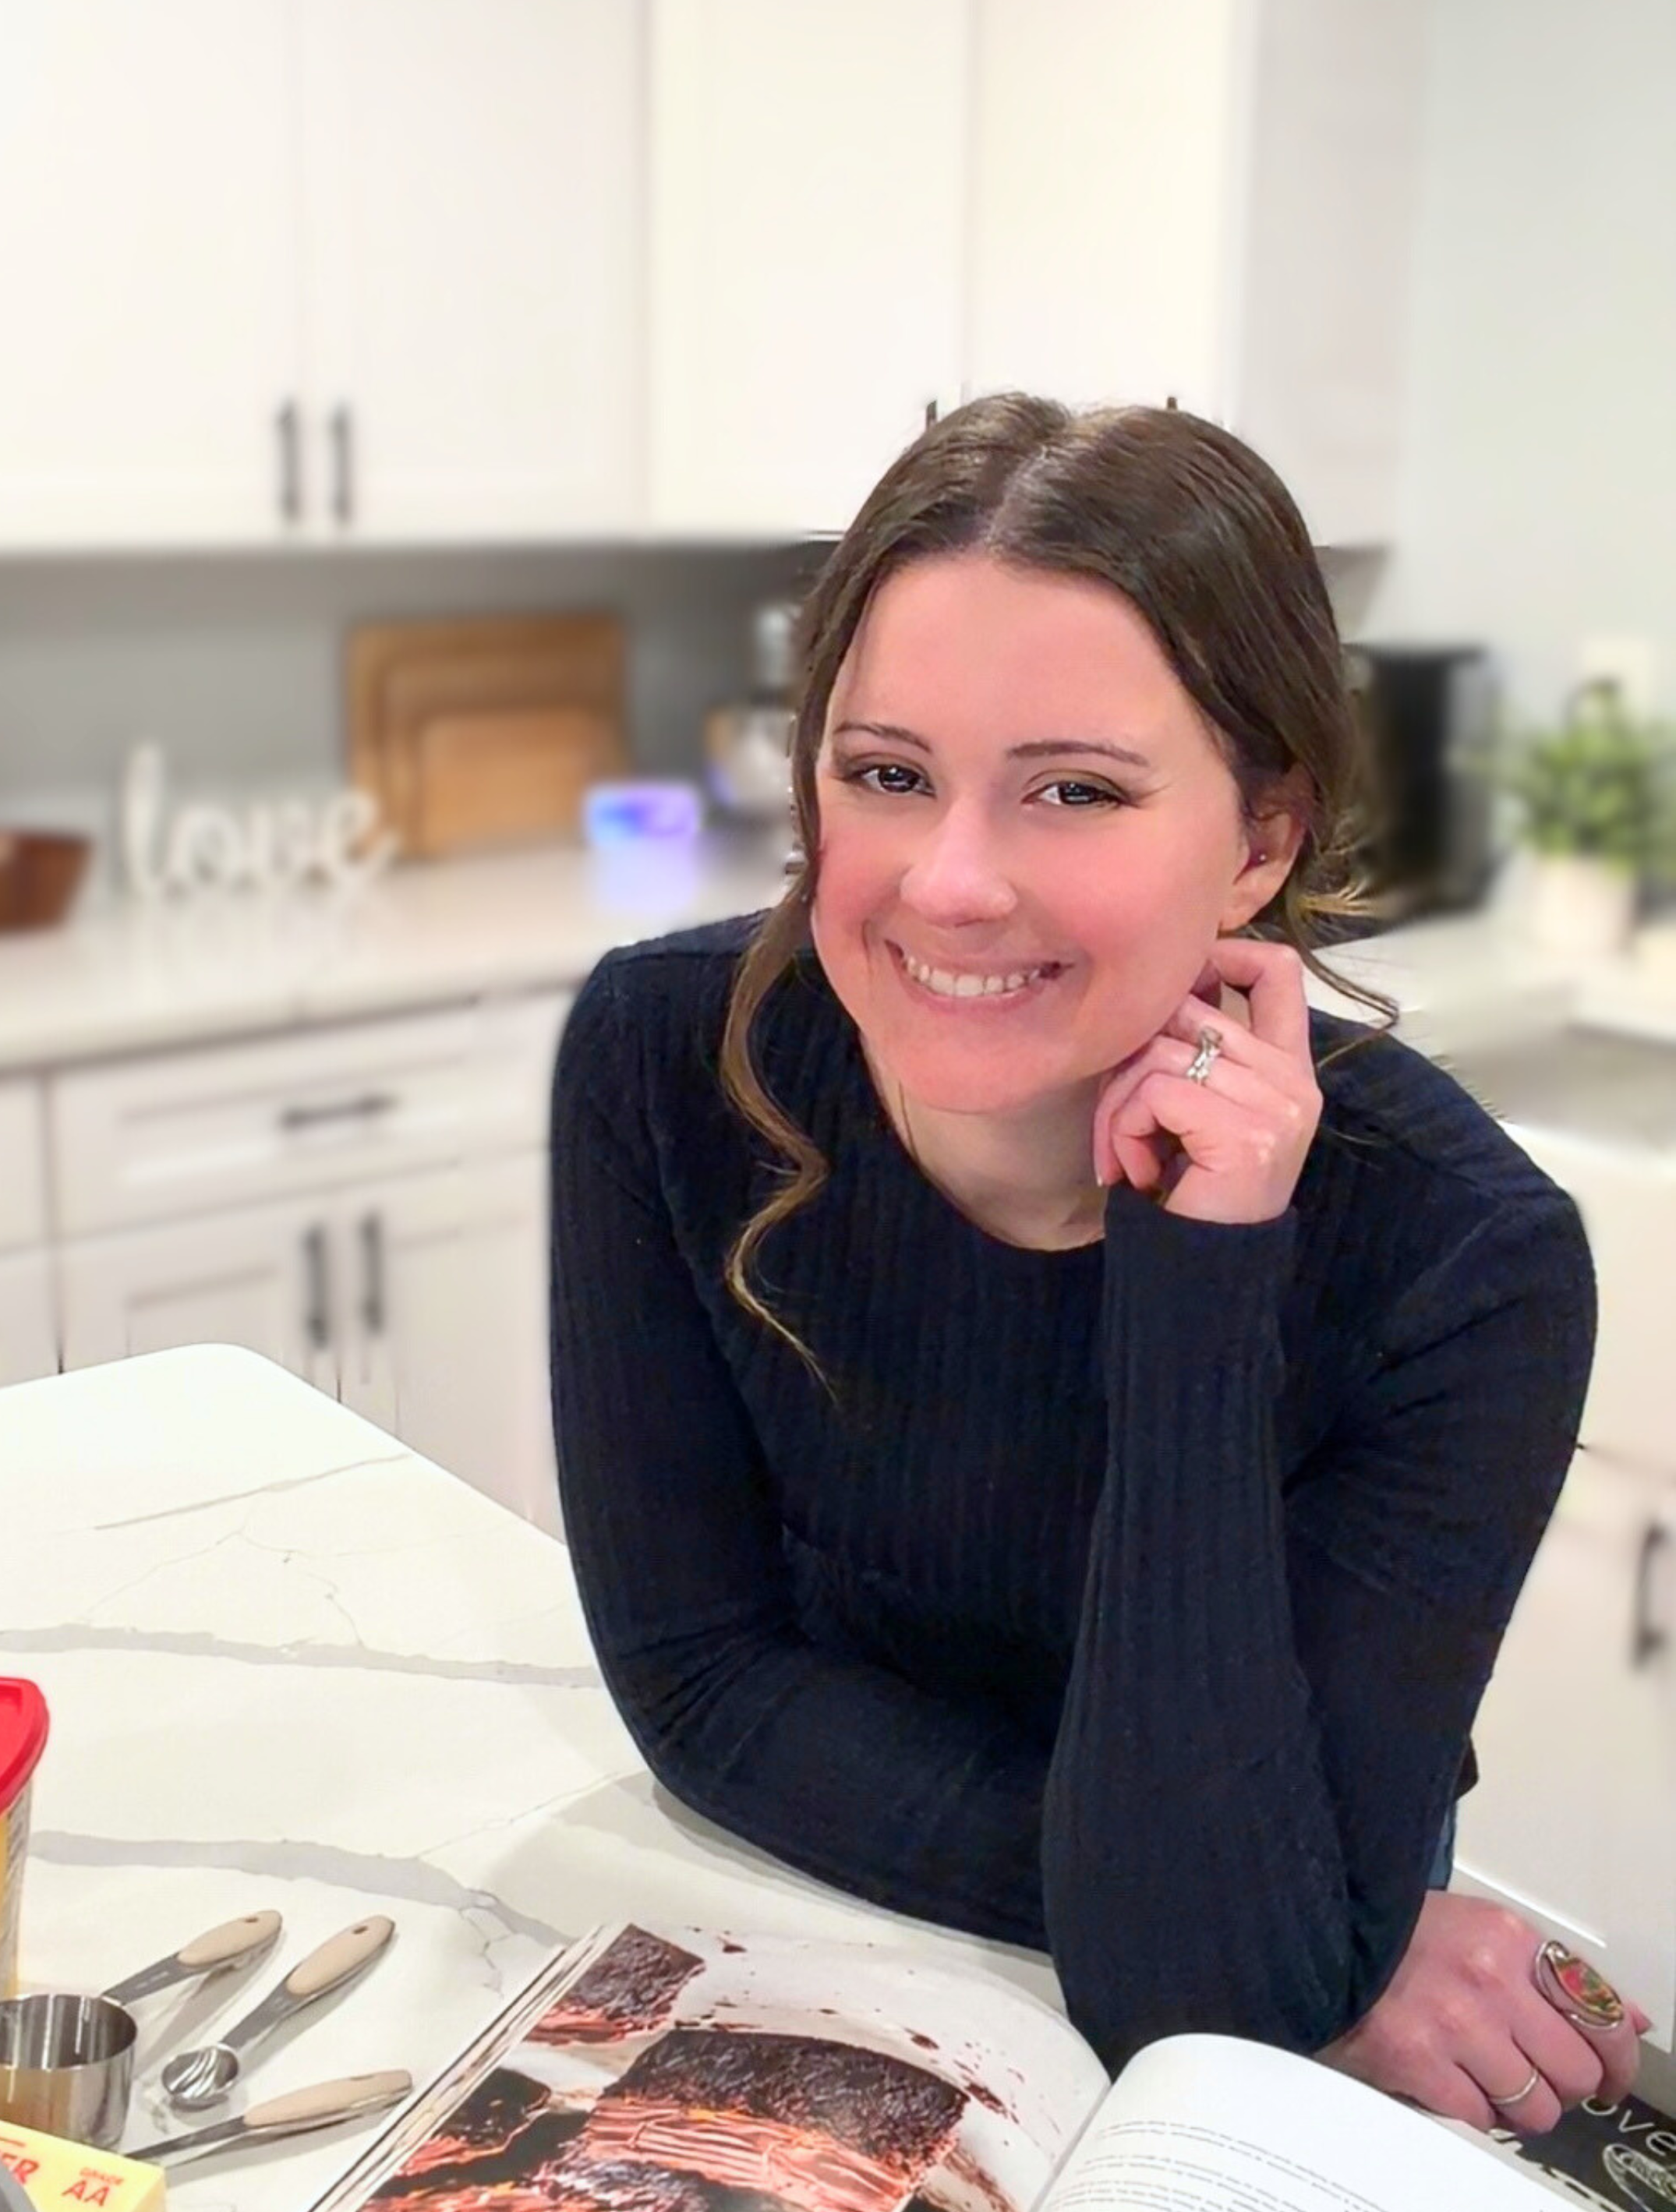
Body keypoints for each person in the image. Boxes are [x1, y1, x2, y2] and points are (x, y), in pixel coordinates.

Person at [548, 396, 1645, 2132]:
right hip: (836, 1928)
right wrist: (1321, 1937)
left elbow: (1208, 2002)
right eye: (886, 774)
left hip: (1186, 2054)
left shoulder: (1466, 1264)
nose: (953, 882)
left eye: (1076, 790)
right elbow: (702, 1682)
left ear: (1263, 839)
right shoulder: (671, 1060)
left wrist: (1202, 1279)